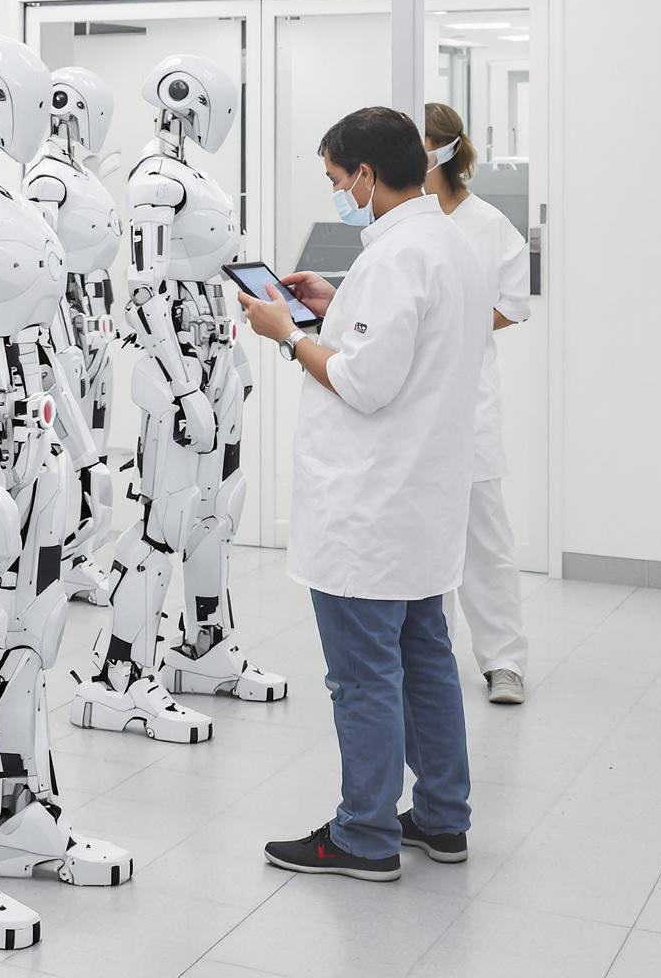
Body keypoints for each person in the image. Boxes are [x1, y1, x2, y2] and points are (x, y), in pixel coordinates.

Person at [238, 105, 492, 882]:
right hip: (421, 504)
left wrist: (287, 333)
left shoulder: (394, 261)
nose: (337, 193)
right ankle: (444, 819)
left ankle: (364, 835)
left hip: (369, 510)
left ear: (368, 176)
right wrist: (331, 305)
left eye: (336, 179)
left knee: (364, 678)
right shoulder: (448, 242)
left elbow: (363, 381)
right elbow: (394, 342)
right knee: (426, 659)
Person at [424, 102, 532, 704]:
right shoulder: (407, 219)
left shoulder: (488, 224)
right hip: (415, 407)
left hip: (468, 406)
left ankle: (504, 662)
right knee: (424, 538)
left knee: (484, 538)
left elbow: (512, 303)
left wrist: (454, 326)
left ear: (440, 150)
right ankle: (431, 657)